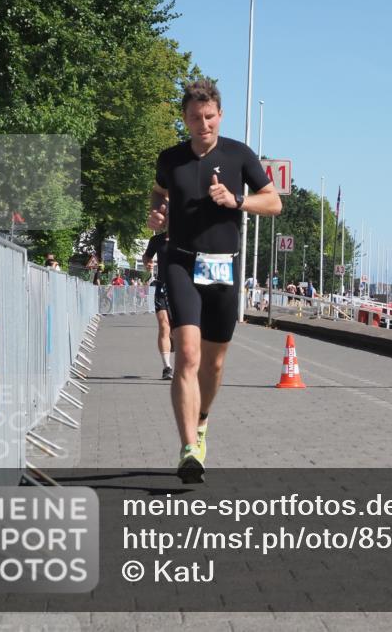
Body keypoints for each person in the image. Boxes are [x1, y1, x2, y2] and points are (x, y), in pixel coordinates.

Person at [147, 78, 281, 483]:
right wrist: (157, 214)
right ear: (184, 119)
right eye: (194, 118)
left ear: (219, 116)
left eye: (209, 117)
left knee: (215, 362)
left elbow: (273, 202)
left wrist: (237, 200)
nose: (202, 124)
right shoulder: (170, 158)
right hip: (181, 262)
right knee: (188, 354)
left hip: (225, 266)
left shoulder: (240, 155)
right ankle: (189, 448)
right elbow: (158, 192)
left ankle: (201, 420)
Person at [143, 231, 173, 379]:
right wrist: (147, 262)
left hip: (182, 289)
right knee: (164, 326)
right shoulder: (157, 240)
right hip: (161, 287)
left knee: (182, 329)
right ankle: (167, 367)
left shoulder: (187, 235)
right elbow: (147, 256)